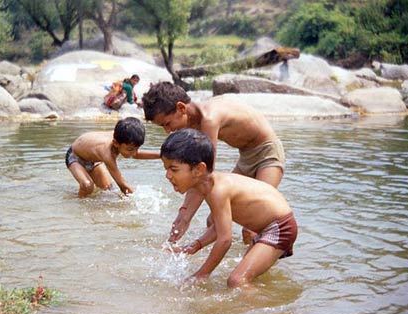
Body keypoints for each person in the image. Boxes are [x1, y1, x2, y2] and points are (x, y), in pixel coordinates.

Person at [142, 81, 285, 244]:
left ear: (181, 108)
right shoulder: (192, 125)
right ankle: (228, 261)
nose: (167, 131)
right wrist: (183, 213)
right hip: (245, 158)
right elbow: (195, 174)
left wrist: (186, 216)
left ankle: (255, 264)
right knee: (212, 221)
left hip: (268, 155)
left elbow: (203, 175)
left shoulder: (209, 119)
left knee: (251, 228)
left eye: (167, 124)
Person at [160, 129, 297, 288]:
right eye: (166, 168)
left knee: (237, 281)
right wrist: (195, 246)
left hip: (280, 228)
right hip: (270, 227)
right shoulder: (207, 186)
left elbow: (225, 240)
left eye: (173, 169)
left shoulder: (217, 191)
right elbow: (219, 227)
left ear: (198, 169)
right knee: (246, 277)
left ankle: (272, 313)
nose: (168, 175)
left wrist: (202, 274)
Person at [65, 117, 159, 197]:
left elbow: (135, 154)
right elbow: (123, 186)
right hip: (75, 156)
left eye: (137, 148)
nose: (134, 153)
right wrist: (138, 200)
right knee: (87, 185)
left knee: (108, 189)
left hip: (93, 159)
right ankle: (78, 206)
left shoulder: (122, 137)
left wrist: (162, 155)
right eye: (130, 149)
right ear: (115, 143)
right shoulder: (106, 152)